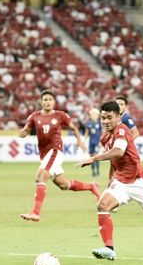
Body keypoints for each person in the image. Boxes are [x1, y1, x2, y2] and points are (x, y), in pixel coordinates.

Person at [76, 101, 143, 260]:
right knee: (103, 204)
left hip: (140, 181)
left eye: (109, 117)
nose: (105, 121)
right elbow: (114, 160)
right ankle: (109, 248)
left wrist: (93, 158)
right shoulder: (105, 137)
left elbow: (118, 152)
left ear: (118, 117)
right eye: (103, 118)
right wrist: (109, 180)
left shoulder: (122, 130)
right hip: (121, 182)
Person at [19, 89, 101, 222]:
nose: (47, 102)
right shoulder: (35, 116)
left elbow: (73, 128)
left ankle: (35, 212)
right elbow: (26, 129)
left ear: (54, 102)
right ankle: (91, 187)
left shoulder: (60, 115)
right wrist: (22, 133)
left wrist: (79, 141)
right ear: (41, 102)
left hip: (55, 151)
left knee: (40, 178)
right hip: (45, 154)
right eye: (45, 100)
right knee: (64, 185)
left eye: (50, 100)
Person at [84, 108, 102, 177]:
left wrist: (101, 142)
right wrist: (83, 141)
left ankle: (97, 172)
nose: (93, 116)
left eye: (95, 114)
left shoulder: (100, 123)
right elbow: (86, 133)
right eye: (92, 114)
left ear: (97, 115)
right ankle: (93, 173)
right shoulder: (88, 123)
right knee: (91, 158)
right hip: (91, 143)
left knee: (96, 157)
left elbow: (102, 133)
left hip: (97, 143)